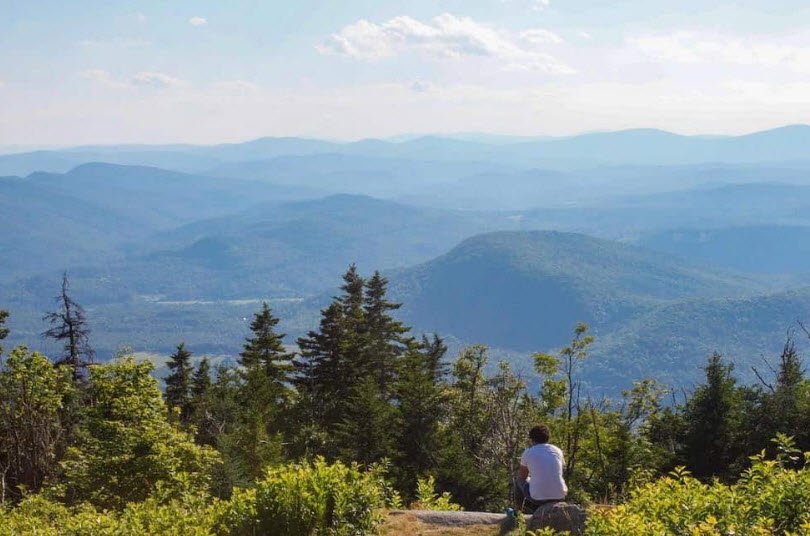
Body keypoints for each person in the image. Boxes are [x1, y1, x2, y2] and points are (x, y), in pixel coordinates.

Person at [515, 423, 567, 511]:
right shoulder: (557, 450)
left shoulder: (528, 452)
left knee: (518, 481)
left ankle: (518, 512)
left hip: (538, 499)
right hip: (560, 496)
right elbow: (562, 469)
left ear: (532, 439)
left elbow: (523, 476)